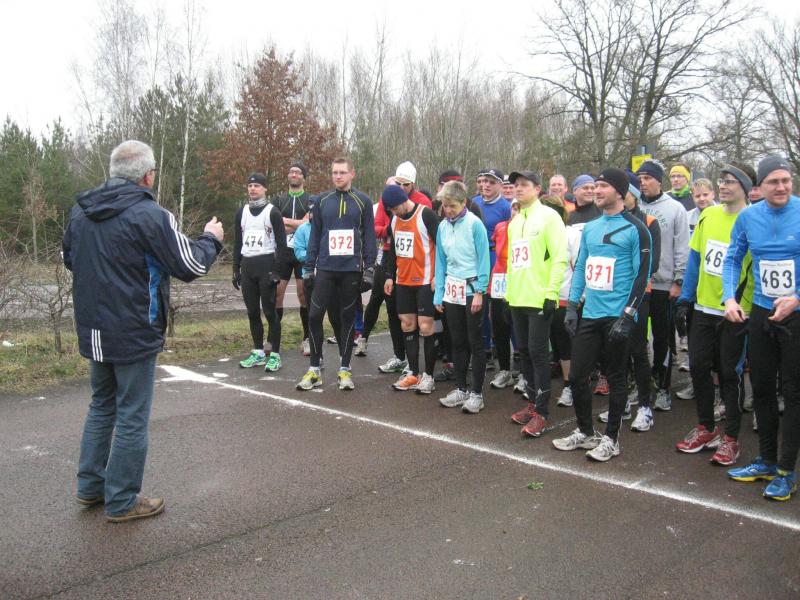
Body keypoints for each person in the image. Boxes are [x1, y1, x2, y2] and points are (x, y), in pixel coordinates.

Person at [63, 140, 223, 522]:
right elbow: (190, 265)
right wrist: (211, 239)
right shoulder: (150, 215)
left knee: (102, 405)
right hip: (134, 328)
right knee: (132, 415)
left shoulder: (80, 212)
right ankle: (121, 500)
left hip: (94, 327)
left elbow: (70, 259)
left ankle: (91, 486)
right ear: (148, 176)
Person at [553, 168, 651, 462]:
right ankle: (585, 431)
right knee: (577, 376)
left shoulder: (637, 228)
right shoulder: (592, 227)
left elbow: (642, 276)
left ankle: (611, 439)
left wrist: (628, 315)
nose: (596, 190)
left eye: (603, 186)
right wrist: (572, 306)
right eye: (595, 186)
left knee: (617, 378)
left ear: (620, 192)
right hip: (591, 314)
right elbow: (581, 266)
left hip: (618, 317)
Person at [724, 155, 800, 501]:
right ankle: (767, 460)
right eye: (774, 181)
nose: (781, 187)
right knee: (763, 388)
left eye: (786, 180)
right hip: (761, 313)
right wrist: (729, 298)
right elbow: (732, 257)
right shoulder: (748, 216)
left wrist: (796, 298)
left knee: (793, 393)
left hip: (795, 315)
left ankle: (786, 470)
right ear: (760, 187)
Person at [674, 163, 755, 463]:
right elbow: (696, 259)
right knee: (698, 366)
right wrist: (685, 299)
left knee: (730, 373)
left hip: (737, 311)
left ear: (745, 187)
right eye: (721, 180)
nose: (723, 185)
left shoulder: (754, 220)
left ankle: (731, 438)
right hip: (704, 307)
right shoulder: (708, 215)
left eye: (730, 181)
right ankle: (707, 427)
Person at [296, 157, 377, 391]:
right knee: (314, 316)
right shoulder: (322, 200)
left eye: (342, 172)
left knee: (346, 319)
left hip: (350, 270)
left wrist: (369, 268)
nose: (338, 176)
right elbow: (315, 235)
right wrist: (309, 267)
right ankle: (314, 369)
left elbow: (369, 237)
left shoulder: (363, 201)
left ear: (352, 174)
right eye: (334, 172)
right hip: (325, 269)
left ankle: (344, 369)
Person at [505, 170, 568, 437]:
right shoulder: (515, 221)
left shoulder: (550, 217)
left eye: (524, 185)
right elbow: (513, 261)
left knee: (539, 353)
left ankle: (542, 413)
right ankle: (532, 403)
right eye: (515, 185)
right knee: (524, 352)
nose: (518, 189)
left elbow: (560, 257)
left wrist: (551, 293)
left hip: (540, 298)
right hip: (517, 298)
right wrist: (508, 294)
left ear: (538, 189)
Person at [636, 159, 689, 411]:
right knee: (637, 340)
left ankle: (662, 387)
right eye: (640, 179)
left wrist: (678, 280)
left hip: (663, 285)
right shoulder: (634, 206)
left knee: (662, 339)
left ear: (659, 181)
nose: (643, 183)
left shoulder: (675, 208)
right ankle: (640, 385)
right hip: (638, 285)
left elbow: (682, 246)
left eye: (647, 178)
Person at [435, 181, 491, 413]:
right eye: (445, 206)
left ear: (463, 203)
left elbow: (484, 258)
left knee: (474, 341)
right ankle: (461, 388)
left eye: (453, 206)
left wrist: (480, 291)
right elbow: (440, 260)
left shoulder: (475, 224)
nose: (448, 210)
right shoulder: (442, 226)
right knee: (457, 342)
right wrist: (439, 292)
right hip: (452, 290)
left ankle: (477, 393)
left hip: (472, 289)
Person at [382, 184, 439, 394]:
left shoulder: (426, 215)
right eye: (390, 210)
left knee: (426, 326)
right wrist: (389, 276)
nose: (394, 212)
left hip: (425, 280)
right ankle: (413, 373)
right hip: (403, 281)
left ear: (403, 200)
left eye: (395, 208)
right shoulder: (394, 219)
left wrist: (438, 276)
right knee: (407, 324)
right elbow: (393, 250)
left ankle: (429, 375)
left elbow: (441, 246)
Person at [233, 173, 288, 372]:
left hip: (266, 265)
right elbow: (238, 242)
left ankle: (275, 355)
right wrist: (235, 269)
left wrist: (277, 271)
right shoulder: (242, 212)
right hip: (248, 265)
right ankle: (257, 352)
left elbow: (282, 244)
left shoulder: (273, 212)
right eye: (250, 186)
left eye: (257, 185)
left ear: (265, 188)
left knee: (270, 311)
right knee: (252, 312)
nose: (253, 189)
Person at [619, 171, 661, 432]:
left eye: (623, 191)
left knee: (637, 350)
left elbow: (651, 264)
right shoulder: (610, 220)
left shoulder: (649, 221)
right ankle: (621, 402)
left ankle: (645, 407)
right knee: (617, 352)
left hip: (640, 294)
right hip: (613, 296)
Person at [273, 162, 311, 356]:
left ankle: (307, 338)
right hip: (283, 252)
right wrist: (299, 223)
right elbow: (275, 225)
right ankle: (273, 338)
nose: (294, 174)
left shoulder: (310, 200)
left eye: (298, 172)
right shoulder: (279, 200)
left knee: (303, 294)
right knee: (277, 294)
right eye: (291, 172)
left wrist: (286, 221)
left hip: (303, 252)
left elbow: (308, 222)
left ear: (304, 177)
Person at [488, 200, 520, 390]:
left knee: (521, 329)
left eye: (520, 208)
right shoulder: (501, 227)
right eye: (514, 208)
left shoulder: (531, 230)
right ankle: (505, 371)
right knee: (500, 328)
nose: (516, 211)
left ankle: (524, 373)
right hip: (499, 282)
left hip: (520, 283)